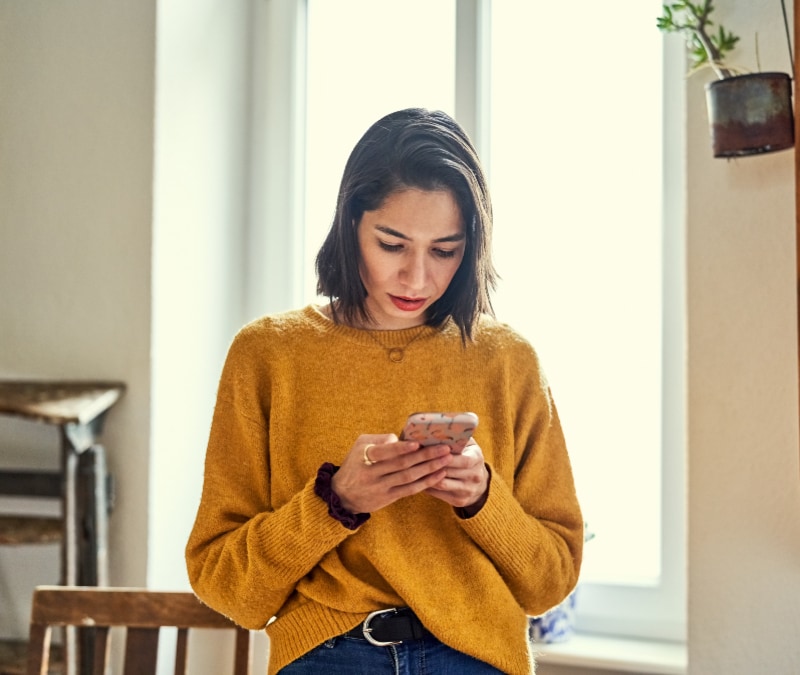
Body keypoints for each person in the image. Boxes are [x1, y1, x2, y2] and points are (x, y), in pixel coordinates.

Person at [186, 108, 583, 675]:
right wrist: (335, 502)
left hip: (477, 657)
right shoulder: (268, 354)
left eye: (445, 250)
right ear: (350, 225)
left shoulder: (508, 361)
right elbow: (227, 586)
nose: (417, 278)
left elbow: (550, 582)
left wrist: (482, 500)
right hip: (326, 654)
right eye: (393, 244)